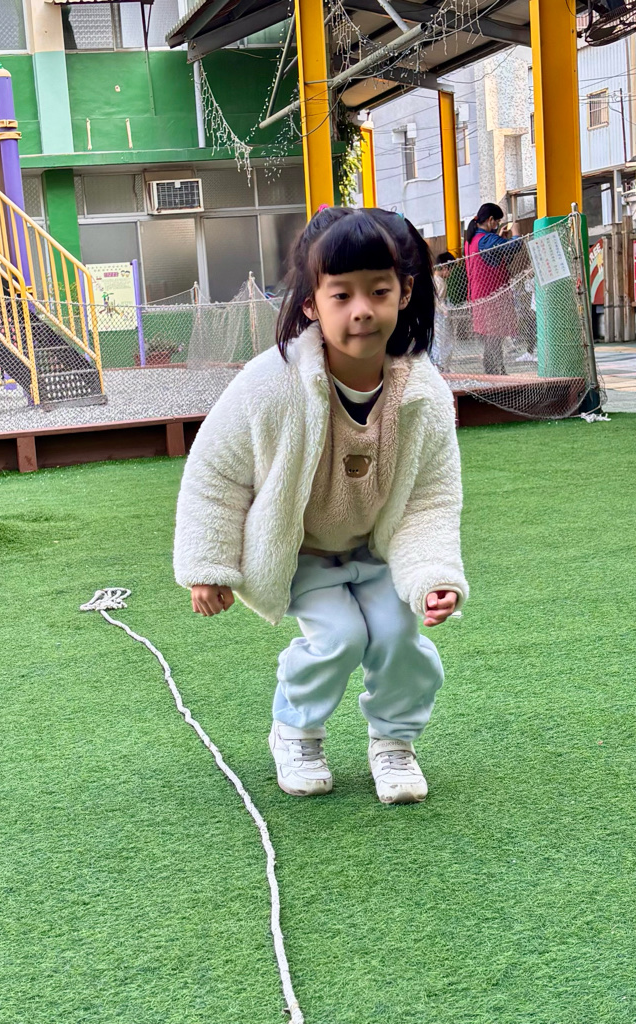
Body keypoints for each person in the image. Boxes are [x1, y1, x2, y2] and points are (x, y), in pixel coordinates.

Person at [174, 207, 468, 805]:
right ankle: (296, 731)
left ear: (405, 292)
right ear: (312, 303)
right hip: (301, 551)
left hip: (375, 550)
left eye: (378, 291)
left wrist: (434, 575)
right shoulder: (271, 382)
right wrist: (208, 567)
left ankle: (394, 742)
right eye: (341, 295)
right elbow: (215, 474)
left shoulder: (424, 394)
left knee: (397, 635)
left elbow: (430, 500)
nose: (361, 310)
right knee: (339, 636)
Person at [464, 203, 520, 375]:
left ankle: (496, 369)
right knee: (495, 336)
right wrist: (516, 233)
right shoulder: (486, 240)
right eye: (497, 222)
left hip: (479, 295)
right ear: (490, 220)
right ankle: (495, 370)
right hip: (492, 296)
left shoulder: (471, 240)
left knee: (492, 336)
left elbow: (496, 256)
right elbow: (514, 246)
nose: (497, 225)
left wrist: (498, 237)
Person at [432, 251, 456, 372]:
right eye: (450, 270)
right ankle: (442, 367)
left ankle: (441, 366)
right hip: (439, 316)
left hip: (437, 315)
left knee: (440, 342)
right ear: (445, 267)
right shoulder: (438, 282)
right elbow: (437, 300)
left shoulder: (435, 280)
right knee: (443, 342)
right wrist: (445, 311)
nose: (450, 273)